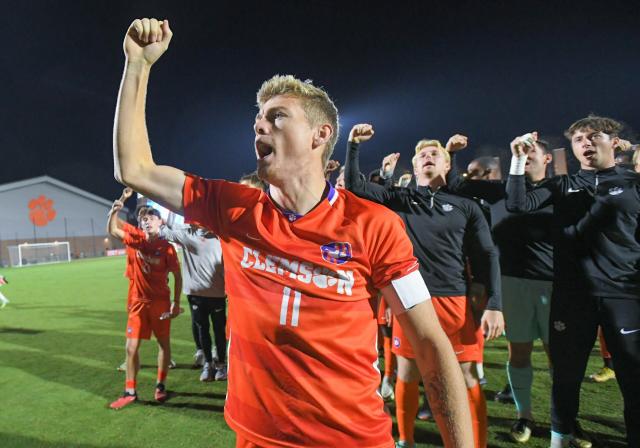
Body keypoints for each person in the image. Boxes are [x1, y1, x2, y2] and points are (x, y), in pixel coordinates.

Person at [112, 18, 473, 447]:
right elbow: (133, 169)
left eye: (276, 117)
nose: (259, 126)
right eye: (258, 119)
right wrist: (138, 65)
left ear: (321, 135)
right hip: (256, 439)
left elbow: (431, 345)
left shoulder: (374, 225)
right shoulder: (233, 208)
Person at [344, 124, 503, 448]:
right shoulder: (401, 199)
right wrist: (353, 146)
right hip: (411, 301)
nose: (428, 158)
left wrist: (495, 303)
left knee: (466, 376)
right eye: (422, 156)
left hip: (456, 302)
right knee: (408, 372)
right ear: (415, 167)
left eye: (435, 154)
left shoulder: (466, 206)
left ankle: (477, 443)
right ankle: (406, 440)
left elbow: (487, 253)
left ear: (447, 165)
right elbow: (355, 185)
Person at [505, 116, 640, 447]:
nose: (585, 143)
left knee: (634, 379)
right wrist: (518, 159)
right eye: (579, 139)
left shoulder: (634, 182)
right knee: (565, 377)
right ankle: (559, 439)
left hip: (625, 295)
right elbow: (517, 203)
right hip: (571, 296)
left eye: (594, 136)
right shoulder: (562, 185)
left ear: (615, 142)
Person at [446, 135, 555, 443]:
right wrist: (451, 153)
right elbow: (456, 185)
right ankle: (525, 416)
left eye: (534, 150)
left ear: (548, 159)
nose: (527, 154)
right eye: (524, 151)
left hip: (552, 284)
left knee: (556, 356)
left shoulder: (558, 190)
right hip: (511, 283)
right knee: (519, 352)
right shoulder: (500, 191)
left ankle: (565, 419)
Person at [107, 201, 182, 409]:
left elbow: (177, 275)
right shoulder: (136, 241)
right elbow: (113, 229)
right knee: (131, 348)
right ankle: (130, 391)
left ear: (160, 222)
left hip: (160, 303)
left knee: (163, 344)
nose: (146, 221)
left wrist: (176, 303)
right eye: (143, 219)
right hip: (138, 303)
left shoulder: (167, 248)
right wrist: (115, 209)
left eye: (150, 218)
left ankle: (161, 385)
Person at [159, 222, 227, 381]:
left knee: (219, 331)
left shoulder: (222, 234)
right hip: (195, 293)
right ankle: (208, 364)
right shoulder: (186, 234)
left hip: (217, 293)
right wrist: (155, 220)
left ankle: (222, 365)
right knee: (203, 330)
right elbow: (164, 231)